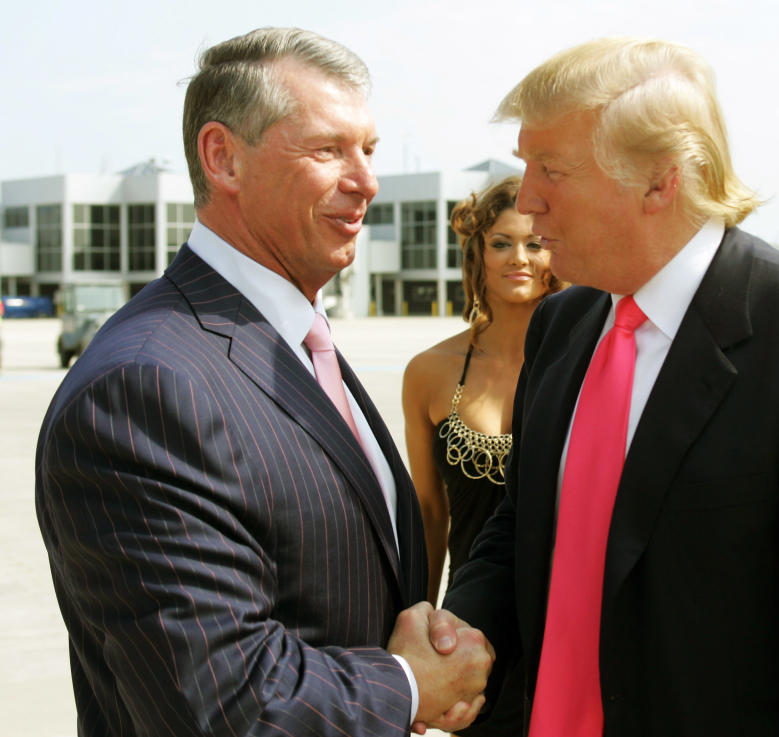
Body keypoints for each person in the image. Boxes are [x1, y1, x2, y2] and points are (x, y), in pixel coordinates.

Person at [439, 37, 779, 736]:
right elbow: (524, 522)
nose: (526, 201)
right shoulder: (562, 321)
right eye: (527, 166)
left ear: (659, 180)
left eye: (551, 169)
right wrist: (457, 630)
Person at [34, 27, 491, 737]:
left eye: (367, 150)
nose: (366, 180)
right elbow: (223, 703)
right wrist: (405, 685)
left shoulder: (302, 341)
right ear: (224, 158)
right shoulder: (142, 390)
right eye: (328, 149)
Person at [403, 176, 563, 736]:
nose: (519, 257)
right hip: (473, 628)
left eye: (535, 242)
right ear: (477, 254)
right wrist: (420, 637)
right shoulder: (430, 371)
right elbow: (427, 512)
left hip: (566, 620)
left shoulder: (586, 360)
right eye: (501, 242)